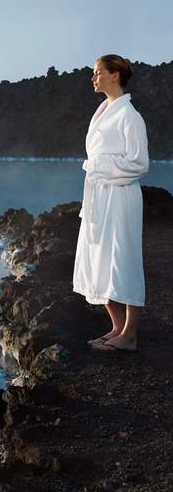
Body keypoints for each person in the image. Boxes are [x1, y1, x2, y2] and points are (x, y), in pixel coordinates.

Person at [74, 54, 149, 352]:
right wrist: (96, 170)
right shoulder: (104, 110)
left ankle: (129, 335)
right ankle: (117, 327)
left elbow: (139, 163)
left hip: (120, 196)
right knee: (100, 257)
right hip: (100, 195)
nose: (93, 78)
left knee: (123, 259)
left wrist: (100, 166)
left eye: (98, 72)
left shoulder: (129, 116)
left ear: (115, 75)